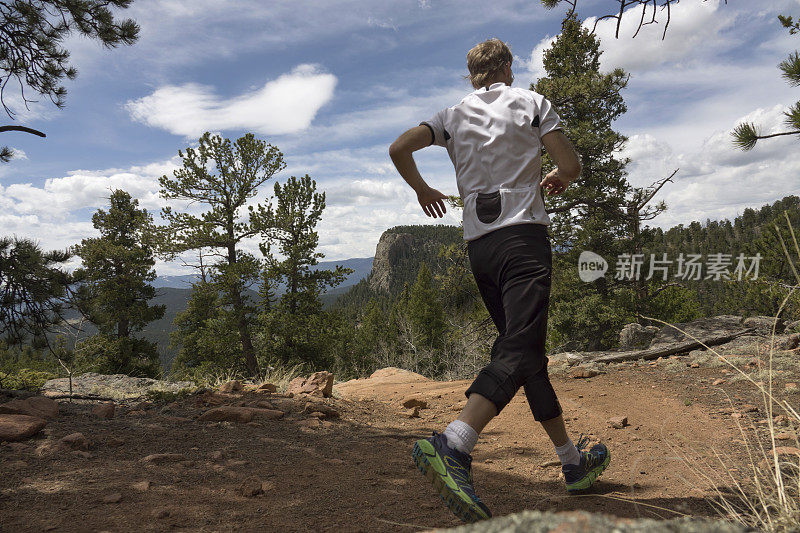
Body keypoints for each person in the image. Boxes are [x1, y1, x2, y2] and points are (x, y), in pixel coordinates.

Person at [388, 38, 610, 523]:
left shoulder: (450, 116)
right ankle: (454, 443)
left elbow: (399, 147)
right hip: (523, 238)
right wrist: (558, 177)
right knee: (519, 348)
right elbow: (570, 165)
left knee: (524, 349)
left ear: (472, 75)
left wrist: (423, 189)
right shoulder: (531, 102)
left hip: (479, 245)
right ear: (508, 67)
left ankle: (571, 462)